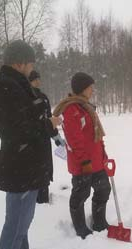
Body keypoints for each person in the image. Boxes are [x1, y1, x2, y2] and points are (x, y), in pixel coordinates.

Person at [0, 40, 61, 249]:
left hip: (26, 166)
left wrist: (43, 116)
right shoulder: (6, 87)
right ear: (19, 62)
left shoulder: (16, 85)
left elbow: (27, 119)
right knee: (16, 223)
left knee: (23, 220)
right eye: (30, 63)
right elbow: (17, 130)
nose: (32, 68)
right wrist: (47, 124)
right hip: (19, 166)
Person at [53, 72, 111, 239]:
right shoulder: (71, 109)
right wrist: (85, 161)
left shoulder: (86, 107)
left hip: (97, 162)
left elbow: (96, 136)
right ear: (82, 89)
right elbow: (74, 140)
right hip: (83, 164)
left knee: (103, 190)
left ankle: (99, 222)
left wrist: (103, 154)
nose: (92, 90)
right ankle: (80, 228)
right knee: (80, 195)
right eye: (90, 87)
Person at [29, 70, 66, 204]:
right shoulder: (26, 97)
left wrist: (56, 137)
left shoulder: (44, 97)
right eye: (34, 79)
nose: (38, 81)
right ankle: (35, 201)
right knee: (34, 173)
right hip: (31, 143)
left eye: (39, 78)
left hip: (44, 141)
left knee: (45, 171)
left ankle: (43, 199)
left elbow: (50, 119)